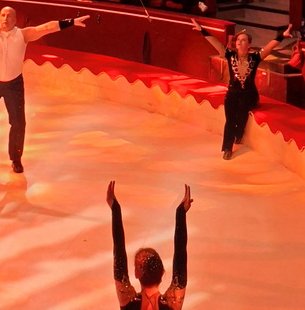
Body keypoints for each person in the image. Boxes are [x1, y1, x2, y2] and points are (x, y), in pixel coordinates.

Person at [0, 6, 90, 172]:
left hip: (13, 85)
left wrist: (71, 22)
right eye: (2, 15)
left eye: (9, 16)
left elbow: (47, 27)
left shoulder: (23, 34)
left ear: (15, 20)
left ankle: (16, 159)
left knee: (18, 123)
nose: (5, 19)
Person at [192, 21, 293, 159]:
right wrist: (201, 30)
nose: (239, 42)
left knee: (242, 109)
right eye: (238, 40)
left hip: (249, 94)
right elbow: (215, 43)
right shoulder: (230, 55)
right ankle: (227, 148)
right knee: (230, 119)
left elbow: (269, 47)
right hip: (233, 93)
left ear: (249, 45)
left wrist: (283, 36)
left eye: (243, 40)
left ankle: (239, 133)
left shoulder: (255, 57)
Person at [107, 180, 191, 310]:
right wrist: (181, 213)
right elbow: (180, 259)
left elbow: (119, 255)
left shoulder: (127, 300)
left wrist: (115, 209)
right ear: (162, 273)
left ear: (136, 273)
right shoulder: (173, 303)